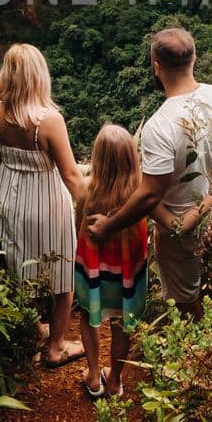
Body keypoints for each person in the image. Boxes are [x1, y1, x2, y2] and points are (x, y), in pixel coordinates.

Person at [85, 27, 212, 314]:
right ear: (194, 58)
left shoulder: (159, 126)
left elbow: (150, 195)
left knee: (188, 304)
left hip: (181, 233)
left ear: (156, 67)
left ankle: (202, 355)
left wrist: (108, 226)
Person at [0, 43, 86, 367]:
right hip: (47, 206)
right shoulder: (49, 120)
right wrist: (97, 206)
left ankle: (35, 332)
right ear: (39, 76)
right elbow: (71, 176)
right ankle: (55, 347)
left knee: (18, 271)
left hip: (10, 201)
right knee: (62, 275)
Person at [74, 124, 150, 399]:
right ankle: (115, 380)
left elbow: (78, 227)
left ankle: (94, 377)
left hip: (94, 271)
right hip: (126, 274)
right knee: (121, 323)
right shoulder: (139, 195)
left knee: (87, 316)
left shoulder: (86, 190)